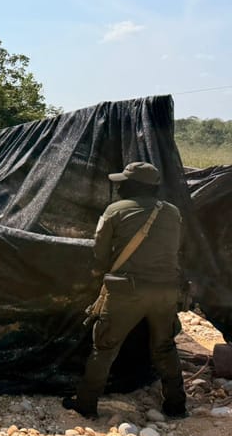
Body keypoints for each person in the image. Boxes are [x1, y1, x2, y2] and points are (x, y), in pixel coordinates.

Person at [63, 161, 188, 419]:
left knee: (105, 347)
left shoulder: (115, 211)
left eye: (123, 182)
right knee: (164, 347)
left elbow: (99, 255)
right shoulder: (173, 212)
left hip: (125, 292)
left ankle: (86, 403)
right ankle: (176, 404)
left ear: (133, 185)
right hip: (166, 292)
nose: (118, 186)